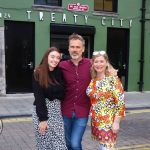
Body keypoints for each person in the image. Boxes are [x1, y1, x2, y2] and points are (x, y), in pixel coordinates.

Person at [86, 51, 125, 150]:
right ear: (93, 63)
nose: (99, 64)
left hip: (108, 123)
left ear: (106, 62)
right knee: (101, 147)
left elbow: (120, 103)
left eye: (101, 61)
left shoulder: (113, 80)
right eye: (96, 62)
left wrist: (116, 122)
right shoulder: (93, 80)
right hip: (96, 122)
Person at [59, 33, 91, 150]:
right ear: (68, 48)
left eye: (78, 47)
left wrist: (113, 72)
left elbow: (105, 68)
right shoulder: (62, 65)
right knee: (67, 143)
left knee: (75, 143)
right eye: (72, 47)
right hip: (65, 110)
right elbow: (48, 70)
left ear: (83, 49)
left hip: (82, 111)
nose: (75, 50)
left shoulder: (91, 64)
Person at [32, 47, 68, 150]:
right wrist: (43, 119)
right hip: (42, 113)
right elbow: (39, 98)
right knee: (44, 146)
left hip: (56, 113)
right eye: (52, 57)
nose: (55, 60)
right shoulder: (38, 73)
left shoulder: (59, 73)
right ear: (46, 57)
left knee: (60, 145)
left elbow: (63, 93)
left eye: (57, 58)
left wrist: (52, 92)